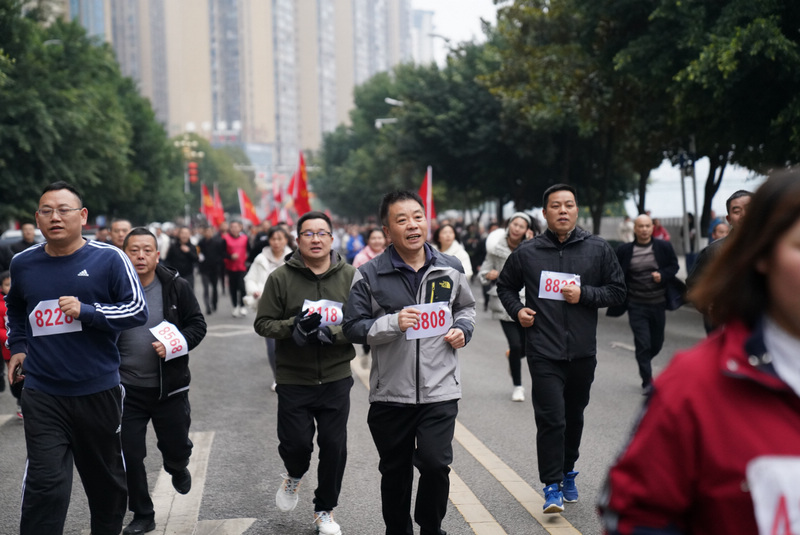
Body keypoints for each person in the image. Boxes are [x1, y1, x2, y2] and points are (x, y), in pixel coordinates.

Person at [599, 169, 800, 535]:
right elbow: (637, 516)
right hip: (669, 315)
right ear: (762, 256)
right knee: (646, 346)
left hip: (663, 308)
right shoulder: (692, 388)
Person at [5, 181, 149, 535]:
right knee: (46, 484)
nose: (55, 217)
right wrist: (19, 345)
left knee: (106, 486)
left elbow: (137, 310)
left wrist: (87, 311)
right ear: (38, 218)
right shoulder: (22, 264)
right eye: (46, 211)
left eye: (63, 210)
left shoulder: (109, 258)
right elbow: (16, 308)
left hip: (97, 391)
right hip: (43, 392)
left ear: (82, 216)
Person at [343, 190, 476, 535]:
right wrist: (392, 322)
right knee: (395, 472)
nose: (412, 225)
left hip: (440, 390)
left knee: (435, 465)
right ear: (387, 231)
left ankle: (431, 528)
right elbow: (352, 327)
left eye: (417, 216)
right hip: (391, 395)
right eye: (401, 220)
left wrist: (463, 328)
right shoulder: (369, 274)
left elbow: (465, 307)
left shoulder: (451, 266)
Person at [496, 183, 625, 514]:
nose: (563, 211)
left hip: (582, 351)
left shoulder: (597, 249)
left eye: (569, 205)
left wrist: (584, 295)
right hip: (543, 350)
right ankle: (551, 485)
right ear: (545, 213)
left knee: (574, 417)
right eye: (556, 206)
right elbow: (505, 286)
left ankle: (568, 472)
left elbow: (617, 292)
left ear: (577, 210)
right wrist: (518, 311)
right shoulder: (527, 253)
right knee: (551, 418)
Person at [253, 211, 356, 535]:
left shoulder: (351, 276)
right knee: (297, 445)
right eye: (308, 233)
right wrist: (293, 327)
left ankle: (324, 510)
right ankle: (294, 475)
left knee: (334, 446)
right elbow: (263, 323)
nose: (315, 239)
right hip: (294, 378)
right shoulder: (281, 277)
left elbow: (360, 322)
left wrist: (335, 334)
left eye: (321, 233)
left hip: (336, 376)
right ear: (297, 240)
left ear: (331, 238)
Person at [117, 227, 206, 534]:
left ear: (157, 255)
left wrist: (176, 343)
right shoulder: (113, 288)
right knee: (129, 454)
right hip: (126, 390)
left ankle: (177, 465)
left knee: (177, 446)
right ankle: (143, 513)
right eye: (133, 250)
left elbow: (198, 324)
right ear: (124, 254)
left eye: (146, 250)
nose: (140, 256)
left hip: (169, 388)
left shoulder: (175, 286)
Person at [609, 214, 680, 392]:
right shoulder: (625, 250)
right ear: (635, 229)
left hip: (658, 303)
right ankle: (647, 380)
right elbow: (616, 272)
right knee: (643, 343)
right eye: (640, 226)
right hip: (636, 304)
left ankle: (645, 360)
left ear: (652, 228)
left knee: (657, 343)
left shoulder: (663, 247)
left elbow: (674, 266)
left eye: (647, 226)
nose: (644, 229)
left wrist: (662, 275)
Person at [479, 212, 532, 402]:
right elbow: (483, 273)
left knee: (527, 346)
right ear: (509, 226)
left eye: (521, 226)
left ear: (527, 230)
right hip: (504, 303)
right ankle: (518, 387)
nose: (517, 228)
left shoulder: (532, 247)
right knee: (516, 345)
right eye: (514, 224)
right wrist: (489, 275)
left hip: (528, 302)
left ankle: (512, 356)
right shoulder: (495, 248)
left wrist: (531, 246)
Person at [686, 189, 753, 333]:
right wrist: (707, 305)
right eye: (737, 211)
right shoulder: (714, 251)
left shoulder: (779, 246)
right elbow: (694, 284)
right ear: (729, 219)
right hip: (729, 326)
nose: (744, 215)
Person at [244, 226, 293, 392]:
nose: (277, 242)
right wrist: (254, 290)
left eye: (280, 238)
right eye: (273, 239)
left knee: (291, 343)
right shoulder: (260, 259)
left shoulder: (294, 257)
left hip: (291, 308)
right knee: (272, 346)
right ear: (269, 240)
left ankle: (293, 376)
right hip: (268, 308)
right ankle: (278, 377)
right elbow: (250, 279)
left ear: (286, 240)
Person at [222, 220, 250, 318]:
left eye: (236, 227)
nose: (234, 229)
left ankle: (242, 306)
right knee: (233, 288)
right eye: (232, 227)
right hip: (230, 268)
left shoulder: (245, 238)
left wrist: (248, 261)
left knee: (242, 287)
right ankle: (235, 306)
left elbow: (250, 251)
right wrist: (230, 256)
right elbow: (222, 253)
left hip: (242, 267)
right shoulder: (225, 239)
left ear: (240, 228)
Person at [197, 226, 225, 315]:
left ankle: (214, 303)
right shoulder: (200, 243)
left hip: (214, 269)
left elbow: (221, 255)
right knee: (206, 288)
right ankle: (207, 306)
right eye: (206, 231)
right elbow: (198, 253)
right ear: (204, 233)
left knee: (214, 287)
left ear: (212, 232)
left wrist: (218, 263)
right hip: (204, 269)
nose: (208, 233)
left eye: (210, 231)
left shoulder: (217, 242)